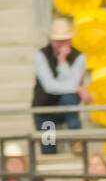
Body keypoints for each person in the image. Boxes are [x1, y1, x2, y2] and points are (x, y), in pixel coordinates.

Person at [32, 17, 89, 156]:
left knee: (69, 99)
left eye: (64, 40)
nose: (61, 44)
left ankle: (76, 142)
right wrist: (77, 89)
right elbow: (49, 86)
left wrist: (62, 61)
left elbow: (72, 81)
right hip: (45, 107)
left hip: (67, 107)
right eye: (58, 40)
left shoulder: (79, 57)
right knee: (48, 144)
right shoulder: (41, 55)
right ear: (51, 40)